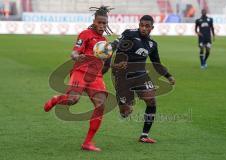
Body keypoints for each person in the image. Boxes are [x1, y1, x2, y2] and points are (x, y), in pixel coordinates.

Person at [43, 6, 113, 152]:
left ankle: (87, 142)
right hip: (80, 72)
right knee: (73, 100)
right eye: (99, 22)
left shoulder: (104, 42)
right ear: (94, 21)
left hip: (95, 76)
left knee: (101, 105)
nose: (101, 26)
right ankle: (57, 99)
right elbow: (74, 52)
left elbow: (105, 64)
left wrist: (109, 62)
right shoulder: (85, 34)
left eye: (104, 23)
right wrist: (77, 56)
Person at [109, 15, 175, 143]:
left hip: (140, 75)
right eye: (141, 25)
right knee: (125, 112)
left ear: (152, 28)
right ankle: (123, 104)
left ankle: (144, 136)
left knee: (151, 101)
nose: (143, 28)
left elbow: (156, 63)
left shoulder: (152, 44)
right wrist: (109, 47)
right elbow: (116, 43)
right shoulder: (130, 34)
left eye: (147, 26)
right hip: (123, 74)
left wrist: (168, 76)